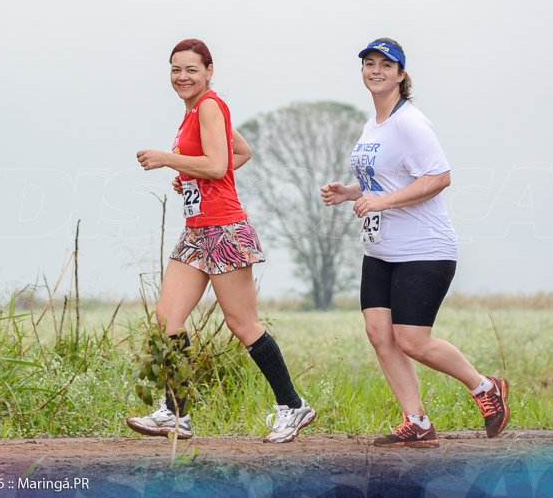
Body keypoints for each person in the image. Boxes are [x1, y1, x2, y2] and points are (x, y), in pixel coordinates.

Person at [320, 38, 510, 448]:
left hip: (424, 250)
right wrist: (352, 192)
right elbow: (389, 178)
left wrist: (382, 201)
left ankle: (485, 388)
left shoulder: (410, 122)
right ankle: (417, 422)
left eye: (385, 65)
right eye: (369, 64)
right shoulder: (374, 125)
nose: (375, 70)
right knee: (379, 333)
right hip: (381, 250)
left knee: (412, 340)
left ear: (401, 74)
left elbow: (438, 177)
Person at [128, 38, 316, 443]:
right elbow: (240, 153)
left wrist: (169, 159)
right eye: (176, 69)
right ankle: (176, 413)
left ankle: (293, 405)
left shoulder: (210, 105)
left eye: (192, 69)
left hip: (224, 229)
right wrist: (189, 176)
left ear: (209, 72)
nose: (183, 77)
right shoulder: (193, 112)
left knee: (242, 323)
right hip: (197, 231)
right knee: (167, 321)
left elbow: (218, 164)